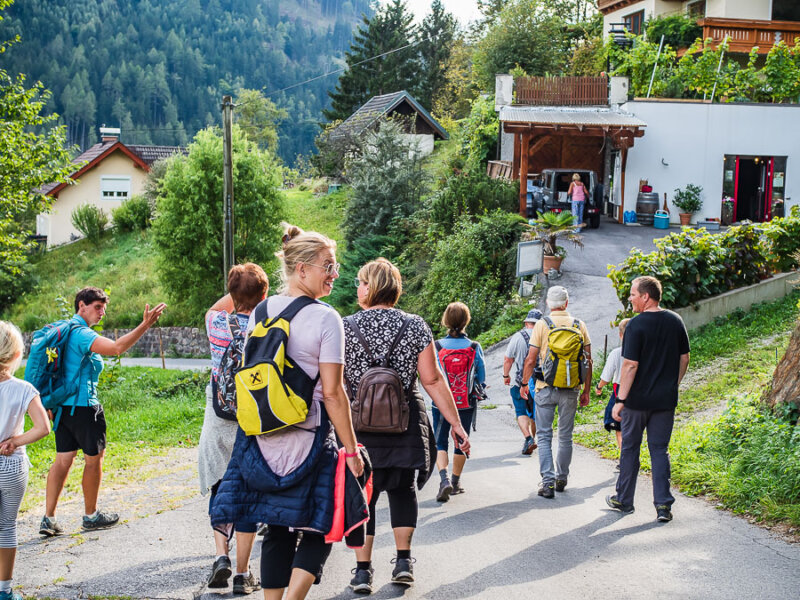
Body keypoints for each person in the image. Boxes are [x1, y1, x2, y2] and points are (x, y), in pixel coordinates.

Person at [210, 224, 364, 600]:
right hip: (309, 438)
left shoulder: (262, 309)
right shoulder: (327, 318)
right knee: (321, 524)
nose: (334, 273)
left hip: (262, 438)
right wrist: (352, 449)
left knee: (278, 527)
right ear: (302, 270)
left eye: (335, 265)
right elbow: (333, 392)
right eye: (327, 265)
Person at [344, 258, 470, 595]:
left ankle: (362, 572)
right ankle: (402, 562)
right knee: (403, 490)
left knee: (364, 496)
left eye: (360, 282)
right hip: (404, 424)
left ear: (371, 287)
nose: (358, 288)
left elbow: (335, 387)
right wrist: (456, 424)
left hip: (360, 427)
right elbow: (431, 379)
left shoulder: (345, 326)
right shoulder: (415, 326)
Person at [40, 287, 166, 536]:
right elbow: (117, 348)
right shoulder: (82, 334)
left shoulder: (64, 331)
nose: (102, 313)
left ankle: (49, 518)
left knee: (63, 461)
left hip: (63, 408)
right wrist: (145, 325)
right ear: (81, 306)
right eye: (97, 307)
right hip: (86, 408)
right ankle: (91, 515)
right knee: (93, 461)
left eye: (104, 308)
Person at [200, 264, 268, 594]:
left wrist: (235, 289)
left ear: (230, 293)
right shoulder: (267, 327)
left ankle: (220, 557)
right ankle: (243, 574)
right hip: (253, 418)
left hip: (220, 413)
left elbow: (217, 305)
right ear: (264, 295)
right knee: (249, 490)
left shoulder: (216, 322)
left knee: (219, 484)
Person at [606, 277, 690, 522]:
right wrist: (672, 385)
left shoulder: (635, 325)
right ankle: (663, 506)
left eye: (633, 294)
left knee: (631, 448)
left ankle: (624, 500)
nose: (630, 298)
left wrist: (620, 399)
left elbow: (630, 365)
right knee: (660, 450)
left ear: (646, 296)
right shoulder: (675, 320)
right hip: (664, 401)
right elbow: (684, 358)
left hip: (636, 401)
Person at [521, 285, 591, 499]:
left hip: (545, 387)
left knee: (543, 435)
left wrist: (524, 383)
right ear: (566, 303)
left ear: (548, 305)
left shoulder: (542, 325)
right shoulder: (579, 324)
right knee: (565, 436)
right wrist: (586, 390)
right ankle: (562, 477)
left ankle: (548, 482)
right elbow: (588, 361)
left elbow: (531, 359)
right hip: (571, 389)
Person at [0, 321, 50, 600]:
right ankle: (4, 592)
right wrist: (14, 441)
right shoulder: (23, 389)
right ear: (16, 354)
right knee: (6, 525)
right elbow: (43, 427)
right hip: (11, 466)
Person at [432, 302, 485, 502]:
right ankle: (455, 482)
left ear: (446, 320)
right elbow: (482, 377)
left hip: (441, 403)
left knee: (440, 441)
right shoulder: (474, 347)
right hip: (465, 403)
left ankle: (443, 479)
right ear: (466, 321)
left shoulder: (436, 346)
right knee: (461, 441)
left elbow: (431, 377)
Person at [503, 309, 543, 456]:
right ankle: (534, 438)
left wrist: (506, 375)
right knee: (534, 414)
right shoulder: (545, 336)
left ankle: (528, 438)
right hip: (541, 382)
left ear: (526, 323)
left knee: (521, 411)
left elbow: (508, 359)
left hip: (521, 381)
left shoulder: (518, 337)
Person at [595, 318, 630, 471]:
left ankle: (625, 460)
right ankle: (632, 457)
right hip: (641, 392)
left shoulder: (617, 353)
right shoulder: (645, 352)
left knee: (620, 429)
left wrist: (598, 387)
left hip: (620, 393)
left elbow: (606, 377)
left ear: (620, 335)